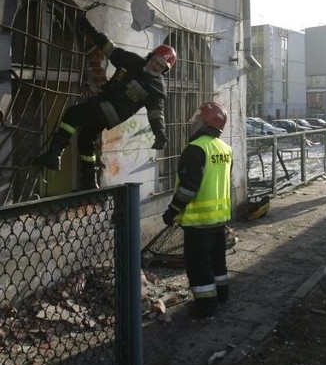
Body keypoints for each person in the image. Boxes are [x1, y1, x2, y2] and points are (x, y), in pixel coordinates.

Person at [31, 16, 176, 189]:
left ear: (165, 71)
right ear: (151, 57)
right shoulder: (132, 61)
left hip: (111, 109)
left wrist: (160, 134)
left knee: (72, 114)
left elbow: (156, 112)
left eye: (162, 66)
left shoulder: (157, 88)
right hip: (106, 106)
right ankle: (90, 182)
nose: (157, 66)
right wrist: (91, 31)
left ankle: (54, 155)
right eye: (156, 61)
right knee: (85, 138)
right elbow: (110, 49)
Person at [161, 102, 232, 318]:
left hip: (198, 223)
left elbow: (187, 187)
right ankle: (222, 295)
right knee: (218, 261)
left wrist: (172, 211)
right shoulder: (225, 148)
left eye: (198, 119)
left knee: (199, 267)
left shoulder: (195, 149)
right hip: (219, 220)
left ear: (205, 122)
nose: (195, 123)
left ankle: (206, 307)